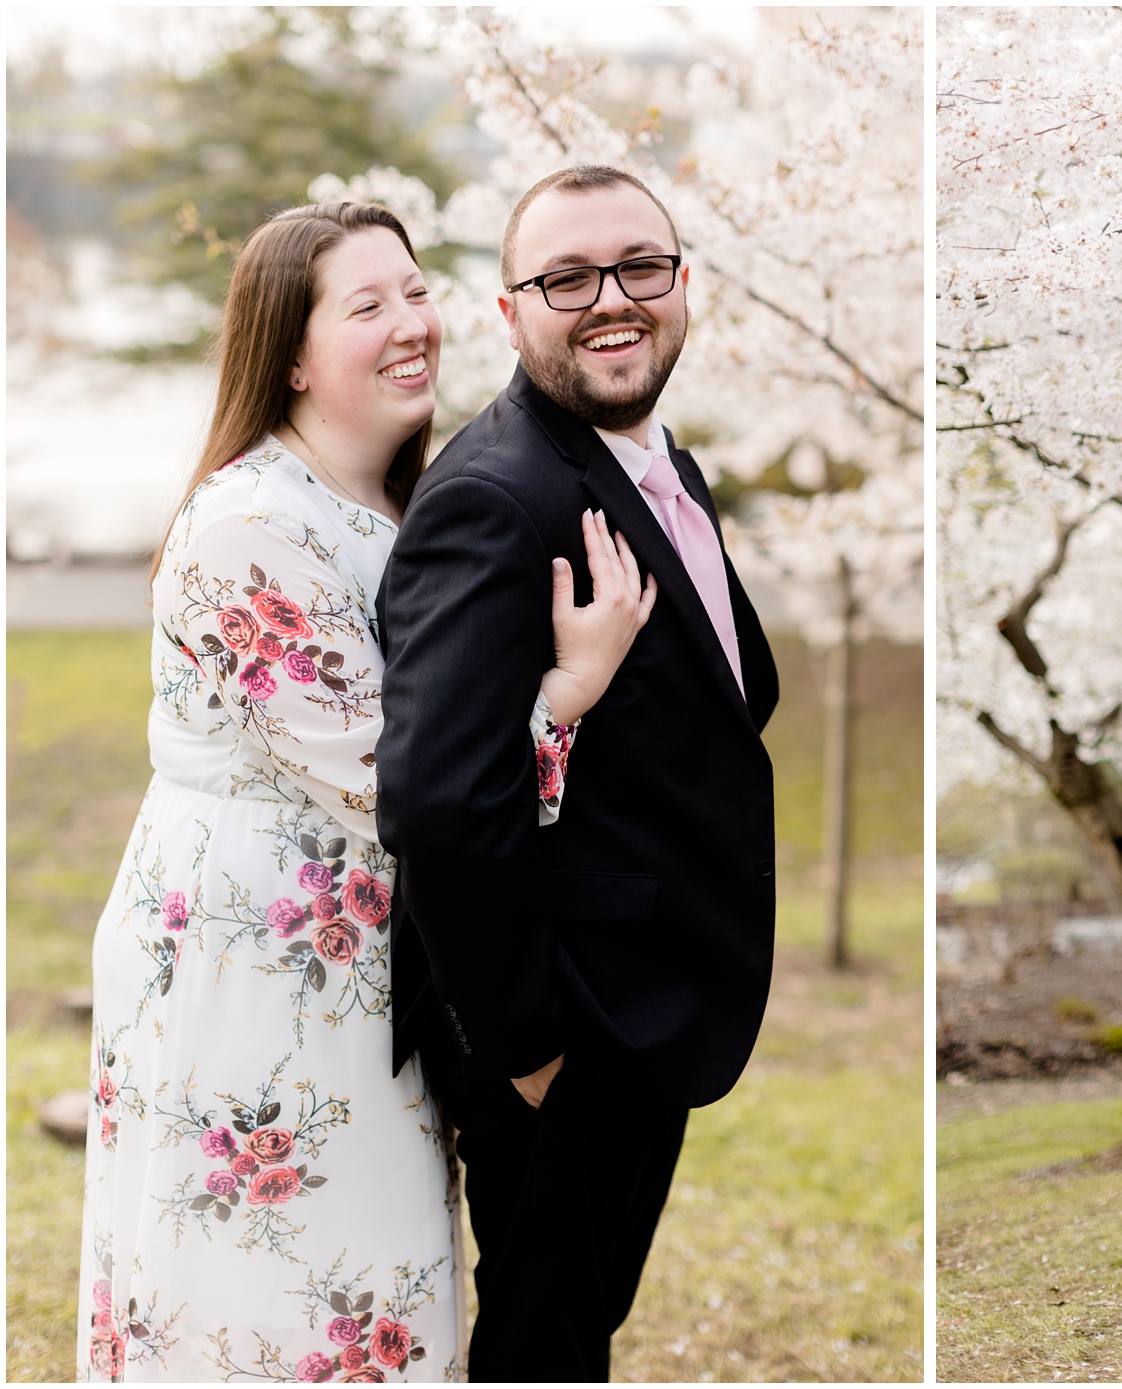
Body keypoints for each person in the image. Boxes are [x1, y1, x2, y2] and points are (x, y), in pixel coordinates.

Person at [76, 201, 653, 1382]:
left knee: (375, 1276)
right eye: (368, 303)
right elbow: (390, 781)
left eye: (417, 292)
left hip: (375, 951)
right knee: (265, 1292)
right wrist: (569, 690)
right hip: (253, 967)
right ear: (289, 351)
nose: (413, 324)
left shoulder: (408, 504)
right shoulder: (247, 523)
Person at [375, 165, 780, 1383]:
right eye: (566, 278)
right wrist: (528, 1050)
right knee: (548, 1347)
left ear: (683, 285)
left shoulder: (657, 467)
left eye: (639, 268)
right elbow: (439, 802)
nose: (612, 299)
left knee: (573, 1330)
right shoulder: (497, 497)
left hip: (643, 1001)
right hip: (564, 1025)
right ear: (509, 311)